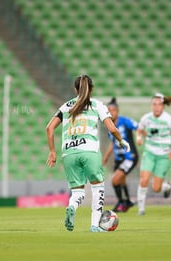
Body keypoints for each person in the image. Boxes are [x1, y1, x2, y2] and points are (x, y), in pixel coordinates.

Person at [46, 75, 130, 232]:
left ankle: (72, 206)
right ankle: (94, 225)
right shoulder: (97, 105)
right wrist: (121, 141)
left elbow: (49, 128)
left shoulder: (66, 106)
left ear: (75, 89)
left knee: (78, 191)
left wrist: (52, 151)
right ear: (91, 89)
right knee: (98, 187)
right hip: (89, 150)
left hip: (69, 153)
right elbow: (112, 128)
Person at [136, 93, 171, 216]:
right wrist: (139, 137)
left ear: (163, 106)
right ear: (151, 105)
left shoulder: (169, 120)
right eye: (154, 104)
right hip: (149, 152)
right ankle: (141, 209)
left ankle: (165, 187)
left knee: (156, 188)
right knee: (144, 179)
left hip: (163, 155)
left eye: (159, 105)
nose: (156, 107)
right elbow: (139, 130)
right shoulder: (146, 118)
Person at [102, 97, 139, 212]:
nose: (111, 112)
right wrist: (106, 157)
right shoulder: (110, 126)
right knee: (121, 180)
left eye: (113, 110)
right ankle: (127, 201)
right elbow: (113, 143)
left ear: (117, 111)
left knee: (115, 180)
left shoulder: (124, 121)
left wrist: (139, 137)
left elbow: (138, 127)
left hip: (130, 157)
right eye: (109, 110)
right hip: (119, 159)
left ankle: (120, 202)